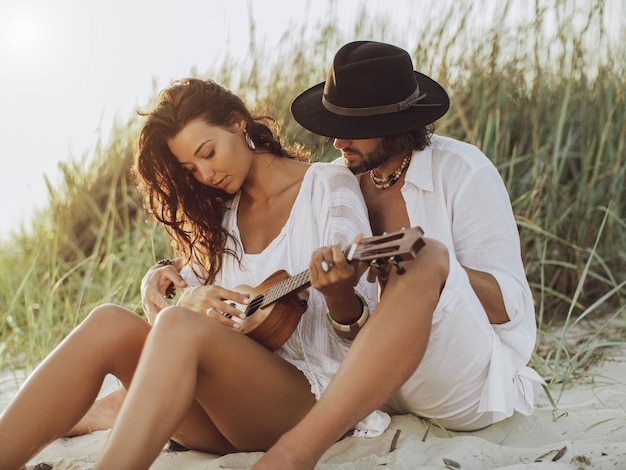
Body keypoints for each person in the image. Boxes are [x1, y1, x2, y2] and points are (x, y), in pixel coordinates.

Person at [0, 78, 379, 469]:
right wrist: (184, 297)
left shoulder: (328, 185)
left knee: (179, 324)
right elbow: (174, 330)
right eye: (190, 168)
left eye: (208, 153)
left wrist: (338, 296)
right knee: (108, 322)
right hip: (222, 417)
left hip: (307, 402)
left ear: (238, 124)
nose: (205, 174)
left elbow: (365, 328)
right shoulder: (222, 216)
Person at [252, 40, 544, 469]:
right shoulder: (335, 183)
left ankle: (295, 456)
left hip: (463, 380)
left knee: (424, 259)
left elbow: (511, 307)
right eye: (334, 123)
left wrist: (434, 271)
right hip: (371, 391)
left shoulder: (464, 171)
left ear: (397, 123)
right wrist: (339, 299)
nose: (337, 141)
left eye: (352, 126)